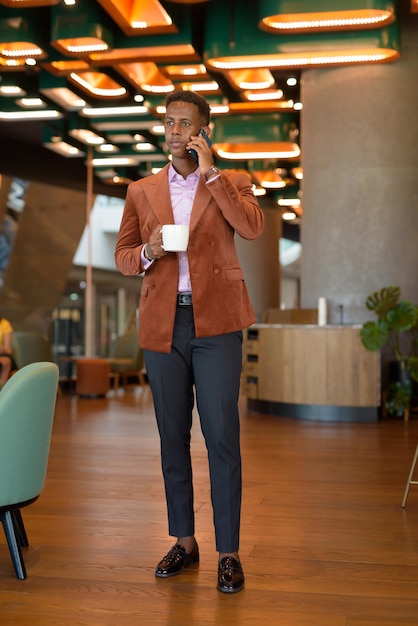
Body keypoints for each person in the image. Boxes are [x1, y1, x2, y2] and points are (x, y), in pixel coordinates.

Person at [114, 90, 264, 593]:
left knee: (222, 438)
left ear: (204, 131)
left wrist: (212, 174)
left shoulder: (232, 181)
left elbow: (251, 227)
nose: (175, 131)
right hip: (163, 325)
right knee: (171, 437)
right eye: (169, 123)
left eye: (185, 124)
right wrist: (149, 251)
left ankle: (228, 551)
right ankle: (184, 540)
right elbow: (123, 256)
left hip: (217, 325)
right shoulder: (141, 190)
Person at [0, 316, 16, 386]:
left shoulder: (4, 324)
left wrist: (3, 349)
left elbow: (9, 350)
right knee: (7, 362)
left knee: (15, 374)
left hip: (3, 354)